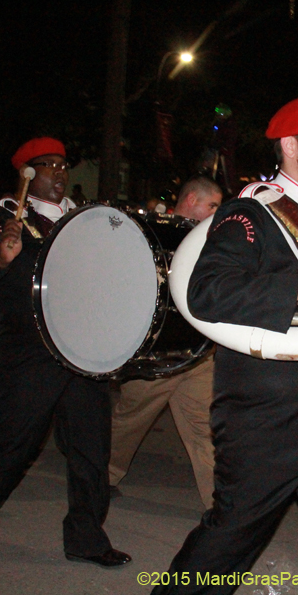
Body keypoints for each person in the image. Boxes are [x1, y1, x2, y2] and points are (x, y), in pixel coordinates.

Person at [151, 96, 298, 595]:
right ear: (290, 146)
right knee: (227, 545)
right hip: (268, 411)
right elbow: (208, 290)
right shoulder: (249, 212)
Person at [0, 137, 131, 567]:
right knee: (15, 448)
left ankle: (85, 538)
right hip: (28, 354)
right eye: (47, 165)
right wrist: (0, 257)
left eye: (63, 165)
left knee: (91, 451)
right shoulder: (2, 218)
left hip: (82, 354)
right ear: (26, 173)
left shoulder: (84, 220)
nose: (60, 173)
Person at [109, 176, 223, 508]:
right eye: (212, 206)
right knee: (132, 418)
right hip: (156, 355)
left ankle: (220, 507)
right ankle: (100, 473)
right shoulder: (151, 232)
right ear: (190, 200)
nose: (217, 214)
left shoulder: (207, 240)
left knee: (205, 427)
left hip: (197, 353)